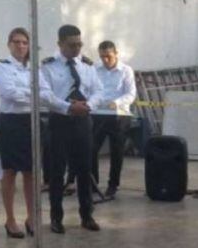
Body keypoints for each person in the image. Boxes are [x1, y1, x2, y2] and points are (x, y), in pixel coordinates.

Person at [40, 25, 103, 234]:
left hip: (83, 120)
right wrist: (68, 107)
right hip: (60, 121)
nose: (77, 48)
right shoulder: (48, 66)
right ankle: (56, 218)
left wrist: (88, 105)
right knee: (57, 171)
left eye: (79, 44)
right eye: (71, 45)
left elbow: (98, 90)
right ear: (60, 44)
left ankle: (87, 215)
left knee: (84, 169)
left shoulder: (86, 65)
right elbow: (45, 95)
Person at [0, 27, 42, 238]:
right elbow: (9, 93)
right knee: (10, 171)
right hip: (11, 122)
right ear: (9, 44)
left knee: (31, 172)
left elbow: (44, 91)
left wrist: (33, 94)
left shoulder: (34, 68)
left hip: (30, 121)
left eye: (24, 42)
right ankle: (10, 219)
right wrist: (34, 94)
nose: (21, 46)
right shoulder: (2, 67)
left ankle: (32, 217)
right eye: (16, 42)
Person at [92, 40, 137, 198]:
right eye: (102, 57)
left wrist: (117, 102)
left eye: (108, 56)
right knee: (91, 149)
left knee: (116, 152)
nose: (105, 60)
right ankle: (93, 183)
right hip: (98, 113)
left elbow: (131, 94)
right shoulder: (95, 69)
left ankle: (113, 184)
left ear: (116, 54)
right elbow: (90, 89)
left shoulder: (126, 70)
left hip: (119, 115)